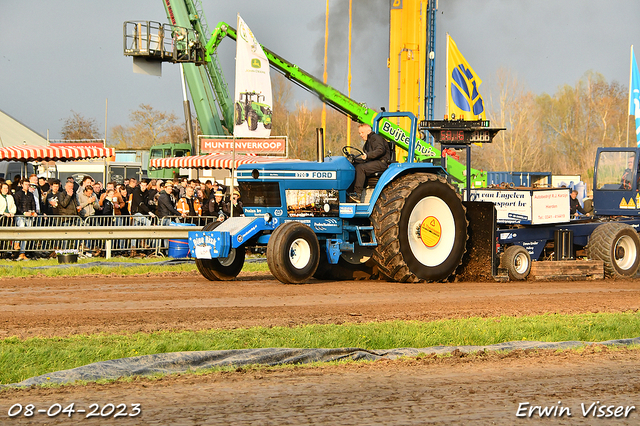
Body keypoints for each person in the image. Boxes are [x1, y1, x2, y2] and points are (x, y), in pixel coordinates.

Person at [348, 123, 391, 203]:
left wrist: (368, 155)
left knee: (361, 168)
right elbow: (366, 160)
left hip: (381, 163)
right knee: (352, 166)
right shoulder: (367, 143)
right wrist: (354, 160)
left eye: (362, 132)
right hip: (374, 162)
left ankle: (357, 194)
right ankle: (349, 193)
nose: (361, 135)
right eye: (359, 133)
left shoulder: (375, 138)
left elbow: (380, 150)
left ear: (368, 131)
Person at [14, 179, 38, 261]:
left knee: (26, 235)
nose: (27, 186)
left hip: (29, 217)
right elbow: (17, 206)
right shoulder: (17, 194)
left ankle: (22, 252)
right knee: (21, 230)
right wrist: (23, 213)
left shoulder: (30, 195)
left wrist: (33, 212)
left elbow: (33, 204)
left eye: (28, 185)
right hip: (20, 216)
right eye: (25, 184)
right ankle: (17, 247)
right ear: (22, 185)